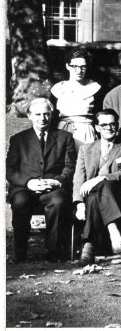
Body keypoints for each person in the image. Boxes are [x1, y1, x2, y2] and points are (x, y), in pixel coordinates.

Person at [7, 99, 76, 263]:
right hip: (25, 187)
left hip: (53, 186)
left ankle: (54, 252)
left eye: (46, 114)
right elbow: (10, 170)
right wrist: (29, 182)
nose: (42, 118)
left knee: (58, 201)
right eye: (38, 114)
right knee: (20, 202)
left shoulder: (65, 137)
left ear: (51, 115)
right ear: (30, 116)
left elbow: (70, 167)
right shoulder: (18, 139)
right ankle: (20, 253)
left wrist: (57, 182)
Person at [73, 109, 121, 265]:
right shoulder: (86, 149)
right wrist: (79, 203)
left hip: (120, 196)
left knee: (105, 185)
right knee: (94, 196)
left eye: (113, 124)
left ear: (117, 125)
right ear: (97, 128)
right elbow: (78, 178)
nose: (109, 128)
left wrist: (100, 178)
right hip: (91, 198)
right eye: (104, 125)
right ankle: (114, 235)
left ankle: (88, 247)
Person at [51, 48, 101, 146]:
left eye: (83, 67)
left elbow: (99, 115)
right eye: (75, 66)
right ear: (67, 66)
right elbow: (52, 117)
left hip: (86, 133)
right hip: (63, 130)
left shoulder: (94, 88)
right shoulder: (58, 89)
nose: (79, 70)